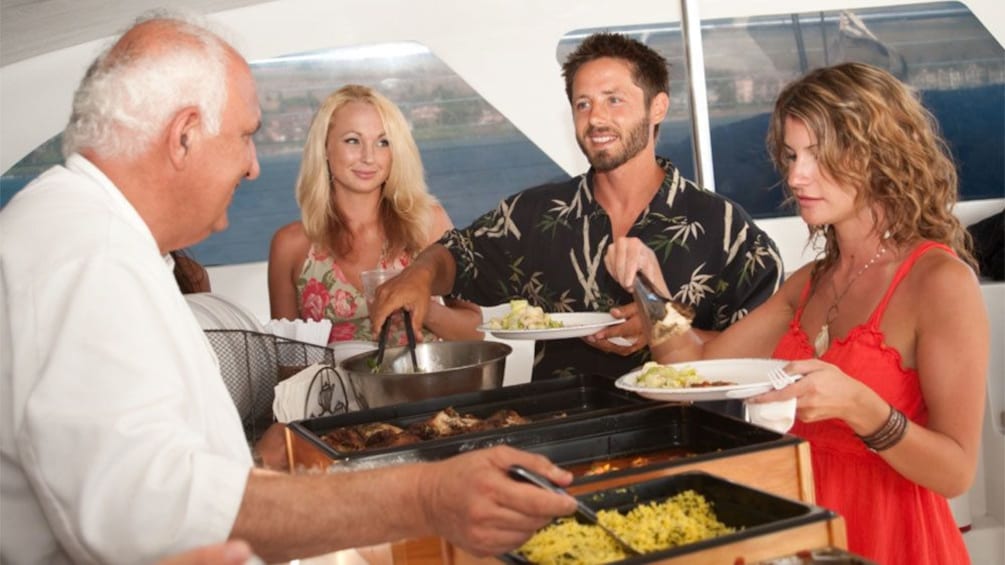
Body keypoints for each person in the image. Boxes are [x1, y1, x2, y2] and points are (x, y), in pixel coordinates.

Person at [0, 12, 576, 565]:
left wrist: (249, 459)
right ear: (183, 136)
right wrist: (424, 497)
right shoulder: (89, 255)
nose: (253, 166)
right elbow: (145, 512)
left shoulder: (96, 238)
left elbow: (148, 471)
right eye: (246, 136)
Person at [605, 62, 987, 565]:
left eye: (820, 155)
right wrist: (649, 287)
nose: (796, 175)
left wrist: (860, 407)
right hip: (803, 533)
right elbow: (691, 367)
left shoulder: (939, 282)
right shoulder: (809, 282)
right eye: (791, 155)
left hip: (895, 540)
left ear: (882, 156)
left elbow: (957, 471)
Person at [370, 32, 782, 381]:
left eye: (613, 100)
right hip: (555, 445)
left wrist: (668, 329)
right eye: (583, 104)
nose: (595, 118)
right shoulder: (534, 215)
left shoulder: (726, 230)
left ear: (658, 106)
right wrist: (420, 276)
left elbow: (768, 352)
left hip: (685, 443)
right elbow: (458, 254)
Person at [268, 84, 482, 345]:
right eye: (352, 141)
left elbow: (475, 332)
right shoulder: (291, 246)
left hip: (424, 384)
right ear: (324, 147)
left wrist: (421, 304)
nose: (369, 157)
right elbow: (286, 362)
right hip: (333, 386)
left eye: (383, 142)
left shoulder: (427, 223)